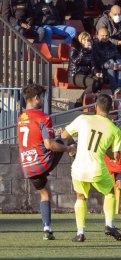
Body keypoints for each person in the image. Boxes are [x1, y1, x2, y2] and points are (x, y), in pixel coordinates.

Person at [61, 94, 121, 242]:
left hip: (78, 166)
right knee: (109, 193)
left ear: (95, 106)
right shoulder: (114, 129)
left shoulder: (83, 119)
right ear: (111, 109)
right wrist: (105, 148)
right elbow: (115, 156)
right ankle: (109, 225)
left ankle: (80, 233)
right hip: (96, 168)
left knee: (80, 197)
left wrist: (76, 143)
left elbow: (64, 135)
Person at [17, 84, 75, 240]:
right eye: (41, 97)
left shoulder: (21, 118)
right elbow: (49, 145)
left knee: (44, 193)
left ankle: (47, 228)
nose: (42, 100)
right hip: (43, 162)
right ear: (36, 98)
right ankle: (77, 155)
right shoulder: (44, 117)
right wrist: (68, 149)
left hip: (28, 167)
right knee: (65, 138)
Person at [92, 27, 121, 93]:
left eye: (106, 35)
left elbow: (118, 55)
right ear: (98, 36)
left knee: (119, 63)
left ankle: (119, 88)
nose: (105, 37)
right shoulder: (95, 46)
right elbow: (98, 61)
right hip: (101, 70)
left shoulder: (112, 45)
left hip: (113, 68)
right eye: (102, 36)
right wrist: (111, 65)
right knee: (111, 64)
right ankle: (115, 90)